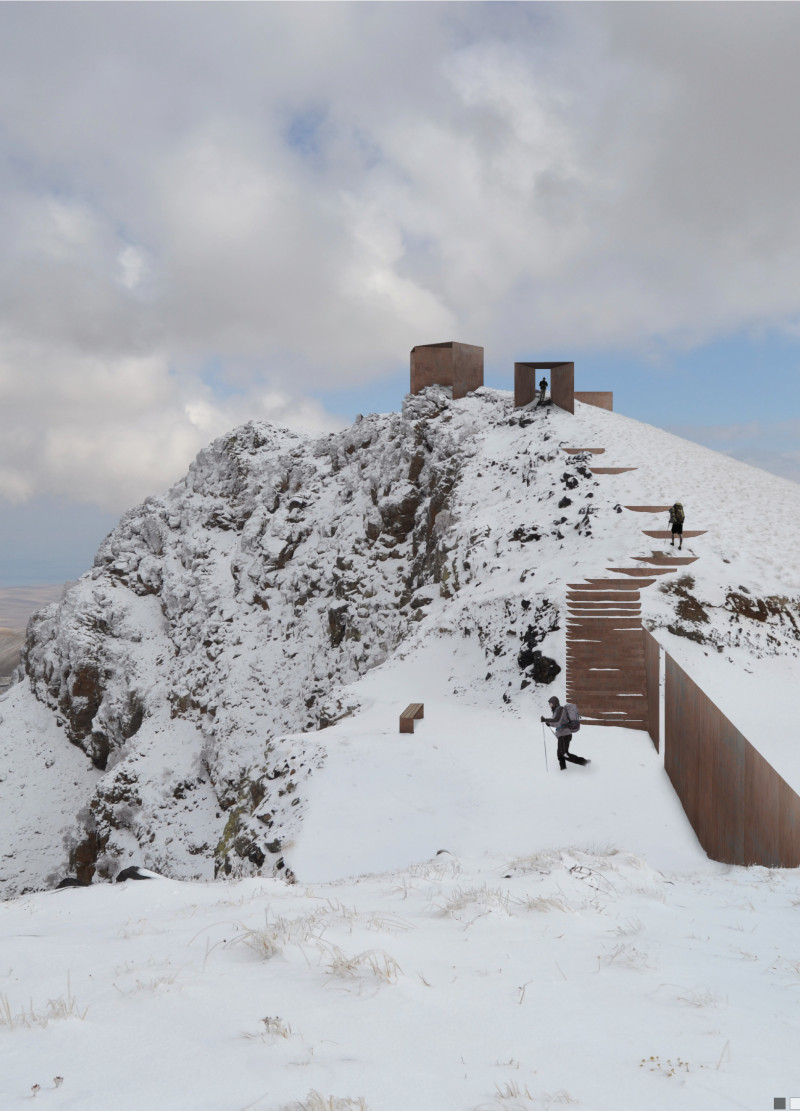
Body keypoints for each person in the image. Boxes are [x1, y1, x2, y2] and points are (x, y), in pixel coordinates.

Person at [541, 696, 590, 770]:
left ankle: (585, 762)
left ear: (554, 703)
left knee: (565, 754)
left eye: (550, 703)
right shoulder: (556, 711)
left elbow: (557, 720)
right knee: (560, 755)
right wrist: (549, 723)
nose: (549, 705)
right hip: (562, 735)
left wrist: (546, 720)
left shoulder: (560, 709)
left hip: (565, 735)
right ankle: (563, 770)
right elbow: (558, 723)